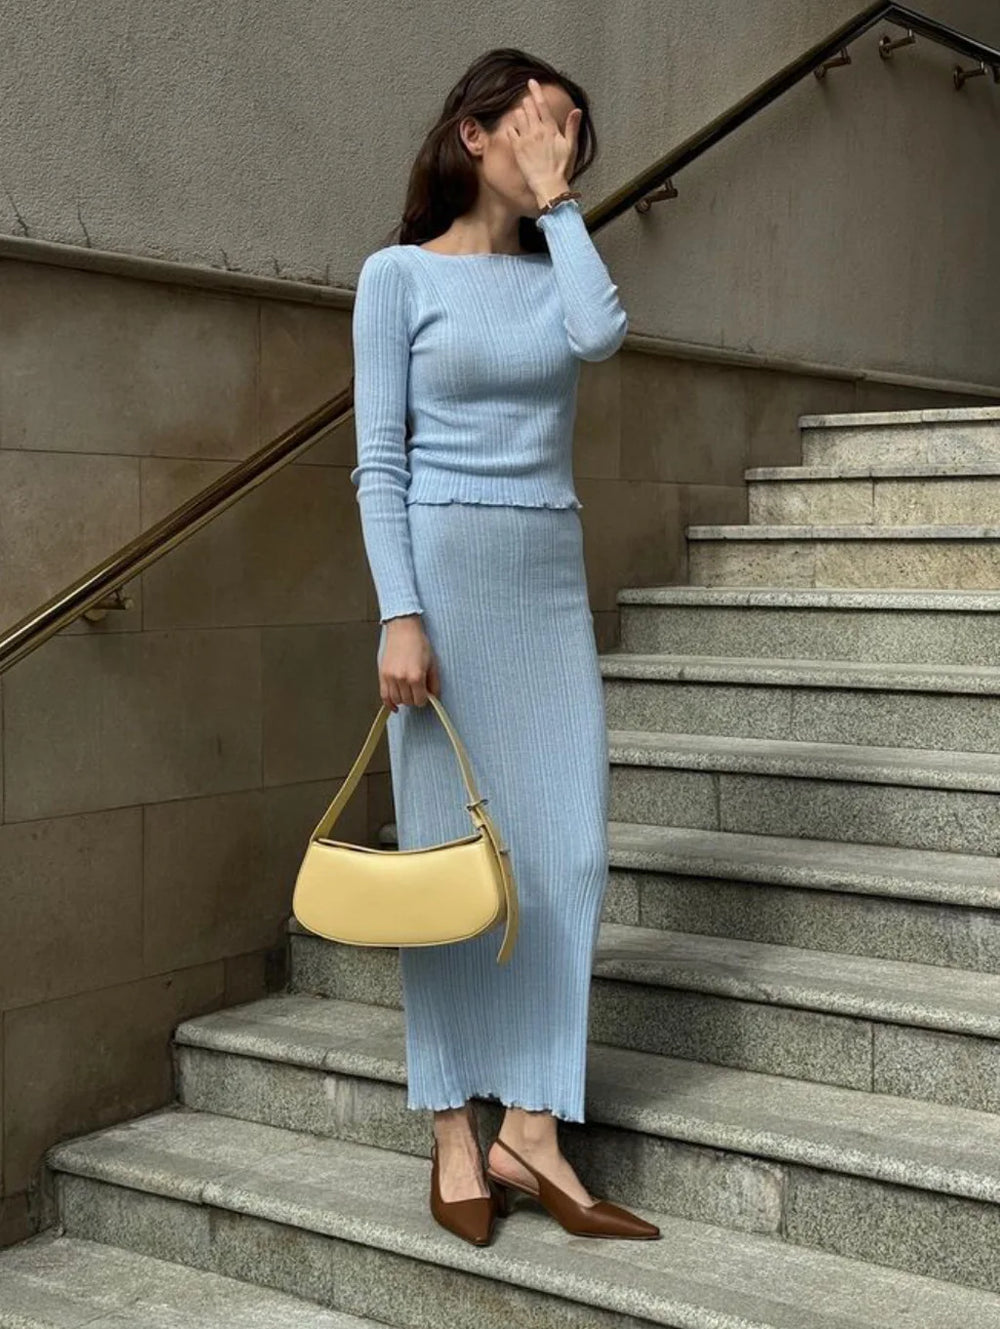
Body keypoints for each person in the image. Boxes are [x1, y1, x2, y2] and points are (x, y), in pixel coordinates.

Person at [350, 47, 659, 1246]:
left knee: (568, 855)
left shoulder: (555, 272)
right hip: (444, 587)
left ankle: (530, 1127)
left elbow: (599, 335)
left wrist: (562, 204)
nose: (556, 144)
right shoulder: (395, 278)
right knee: (447, 869)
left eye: (571, 130)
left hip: (543, 585)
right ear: (472, 133)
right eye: (538, 123)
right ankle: (450, 1127)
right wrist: (400, 612)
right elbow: (380, 464)